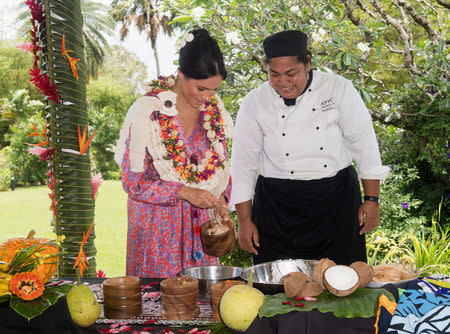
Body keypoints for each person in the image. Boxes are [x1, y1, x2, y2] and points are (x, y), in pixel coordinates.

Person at [230, 30, 389, 266]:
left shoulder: (338, 89)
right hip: (277, 206)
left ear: (308, 63)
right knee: (278, 291)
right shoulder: (254, 102)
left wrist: (372, 199)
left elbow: (364, 144)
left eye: (291, 73)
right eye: (274, 75)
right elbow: (243, 165)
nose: (283, 82)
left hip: (336, 201)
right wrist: (244, 221)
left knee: (342, 283)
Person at [114, 29, 234, 278]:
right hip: (158, 232)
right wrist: (183, 191)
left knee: (202, 306)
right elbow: (132, 180)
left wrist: (220, 201)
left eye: (213, 90)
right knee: (159, 307)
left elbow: (220, 168)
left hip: (200, 230)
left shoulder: (212, 112)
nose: (207, 97)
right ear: (181, 75)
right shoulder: (149, 111)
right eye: (201, 88)